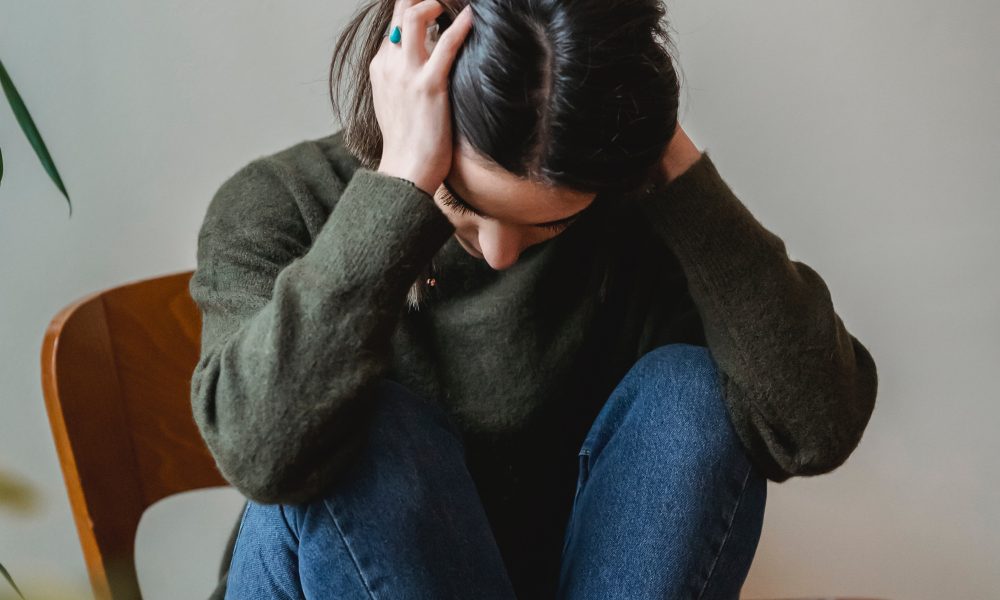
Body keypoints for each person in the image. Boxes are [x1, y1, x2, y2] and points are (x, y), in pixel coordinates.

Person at [189, 0, 880, 598]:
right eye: (458, 200)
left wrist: (665, 152)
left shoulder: (627, 222)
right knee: (362, 431)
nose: (498, 253)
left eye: (548, 222)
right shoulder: (280, 204)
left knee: (693, 395)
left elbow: (814, 428)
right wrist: (399, 190)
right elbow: (263, 452)